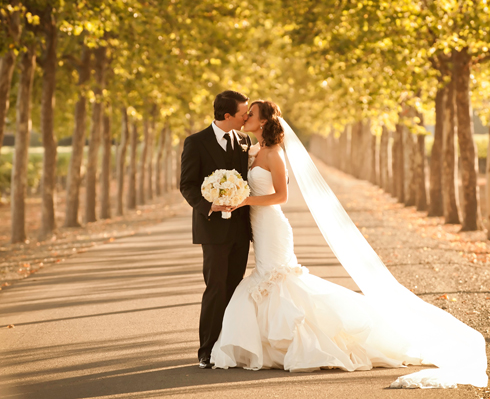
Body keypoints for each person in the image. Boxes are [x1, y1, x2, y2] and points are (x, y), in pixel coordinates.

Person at [210, 100, 488, 389]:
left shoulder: (274, 154)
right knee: (268, 282)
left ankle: (309, 342)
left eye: (251, 114)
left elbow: (282, 196)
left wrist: (245, 200)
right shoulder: (253, 150)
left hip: (273, 226)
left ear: (264, 121)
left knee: (277, 280)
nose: (246, 118)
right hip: (257, 225)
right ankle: (272, 345)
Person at [179, 90, 253, 369]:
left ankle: (229, 346)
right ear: (227, 116)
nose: (246, 117)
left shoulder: (245, 141)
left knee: (234, 288)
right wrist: (209, 205)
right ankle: (206, 350)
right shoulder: (196, 142)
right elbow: (186, 184)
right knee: (215, 287)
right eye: (243, 113)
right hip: (211, 229)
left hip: (240, 230)